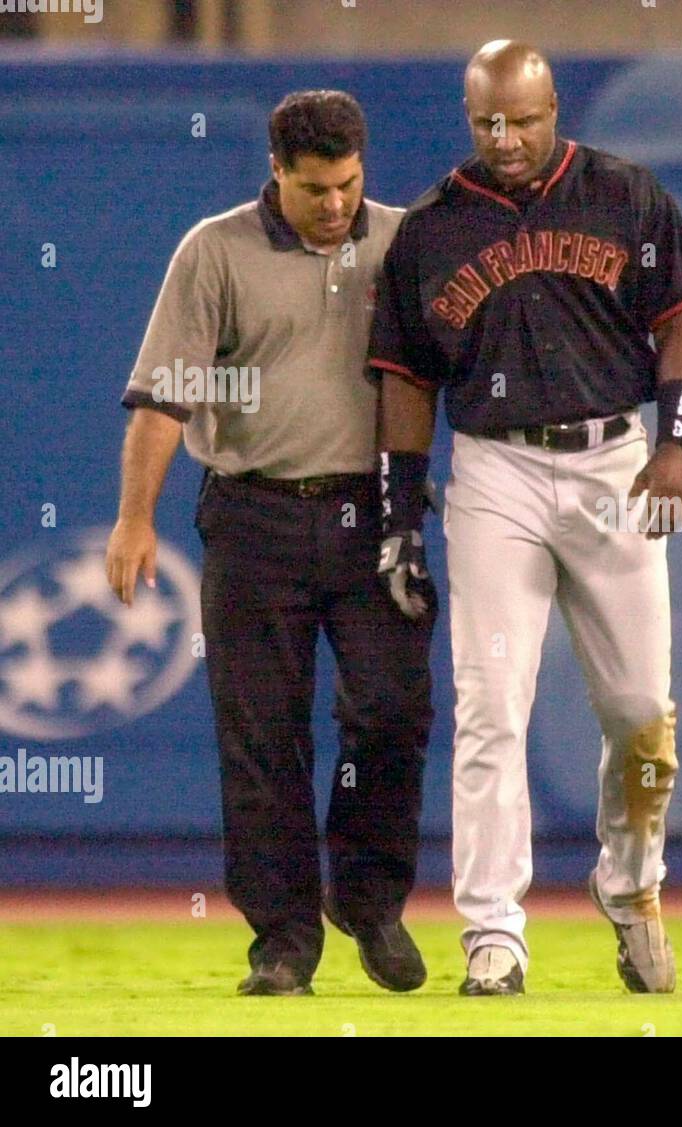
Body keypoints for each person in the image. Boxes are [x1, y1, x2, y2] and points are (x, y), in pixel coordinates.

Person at [368, 40, 682, 996]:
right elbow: (405, 380)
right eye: (486, 121)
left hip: (615, 457)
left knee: (643, 715)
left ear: (554, 105)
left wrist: (679, 443)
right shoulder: (434, 228)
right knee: (490, 709)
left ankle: (633, 889)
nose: (505, 138)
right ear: (467, 115)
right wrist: (402, 513)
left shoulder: (625, 195)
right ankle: (493, 933)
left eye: (521, 119)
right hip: (495, 472)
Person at [106, 90, 434, 997]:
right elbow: (166, 393)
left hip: (374, 516)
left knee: (393, 711)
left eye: (349, 185)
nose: (336, 206)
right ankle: (283, 941)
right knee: (260, 736)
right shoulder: (214, 250)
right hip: (253, 517)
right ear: (275, 173)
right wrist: (136, 517)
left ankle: (367, 900)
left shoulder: (405, 241)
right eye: (315, 189)